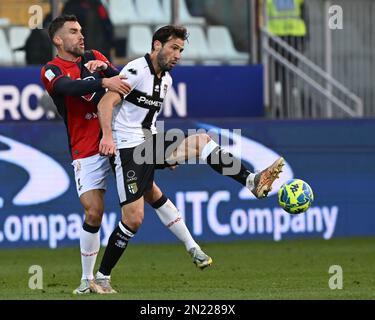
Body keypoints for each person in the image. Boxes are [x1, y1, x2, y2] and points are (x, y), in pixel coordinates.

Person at [95, 25, 285, 293]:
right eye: (174, 48)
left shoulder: (167, 80)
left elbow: (148, 121)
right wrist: (107, 137)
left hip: (149, 144)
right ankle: (102, 277)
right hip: (129, 149)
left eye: (181, 50)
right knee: (135, 218)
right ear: (157, 45)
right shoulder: (136, 71)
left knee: (202, 141)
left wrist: (167, 154)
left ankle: (251, 181)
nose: (178, 55)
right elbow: (105, 104)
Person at [40, 15, 211, 295]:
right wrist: (102, 82)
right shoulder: (51, 69)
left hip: (121, 141)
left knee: (151, 192)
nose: (81, 35)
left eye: (81, 29)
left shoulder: (94, 56)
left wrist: (106, 69)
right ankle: (88, 280)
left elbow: (124, 80)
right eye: (73, 32)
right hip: (86, 149)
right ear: (58, 39)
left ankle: (193, 248)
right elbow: (65, 88)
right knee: (93, 212)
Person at [265, 0, 308, 116]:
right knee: (279, 78)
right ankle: (280, 111)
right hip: (276, 39)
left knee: (285, 78)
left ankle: (284, 111)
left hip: (289, 38)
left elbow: (304, 13)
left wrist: (305, 38)